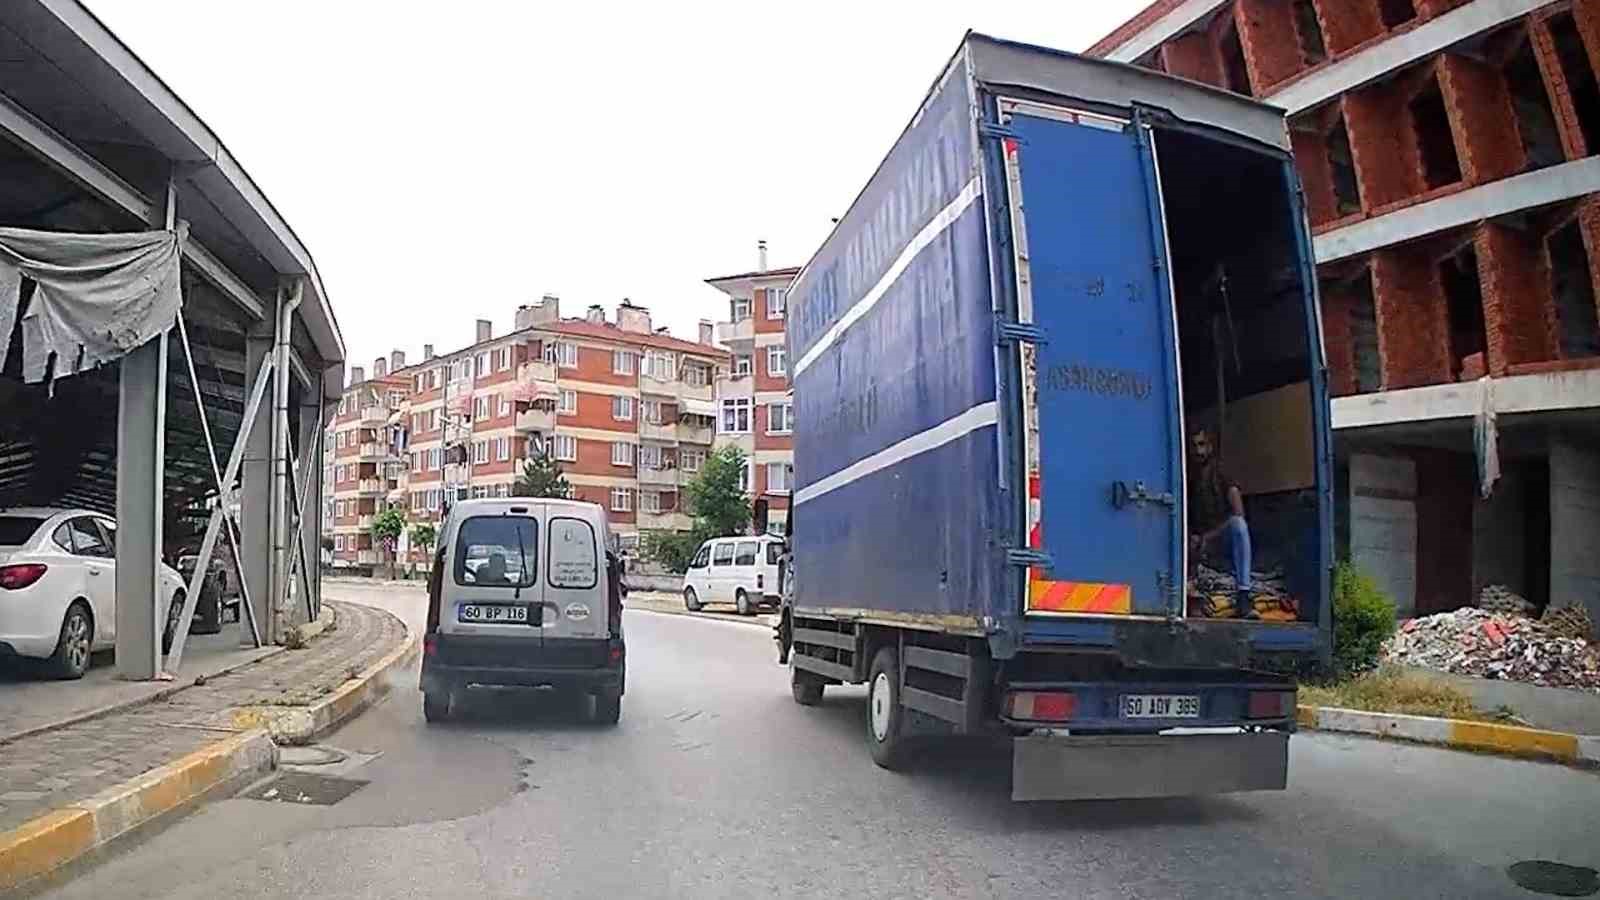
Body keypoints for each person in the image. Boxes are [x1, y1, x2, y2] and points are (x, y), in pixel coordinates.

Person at [1187, 426, 1257, 620]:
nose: (1198, 451)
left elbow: (1238, 513)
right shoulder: (1189, 477)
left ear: (1210, 447)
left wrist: (1206, 538)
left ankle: (1244, 594)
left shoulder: (1223, 473)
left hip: (1220, 539)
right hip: (1200, 544)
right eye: (1194, 446)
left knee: (1238, 525)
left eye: (1202, 445)